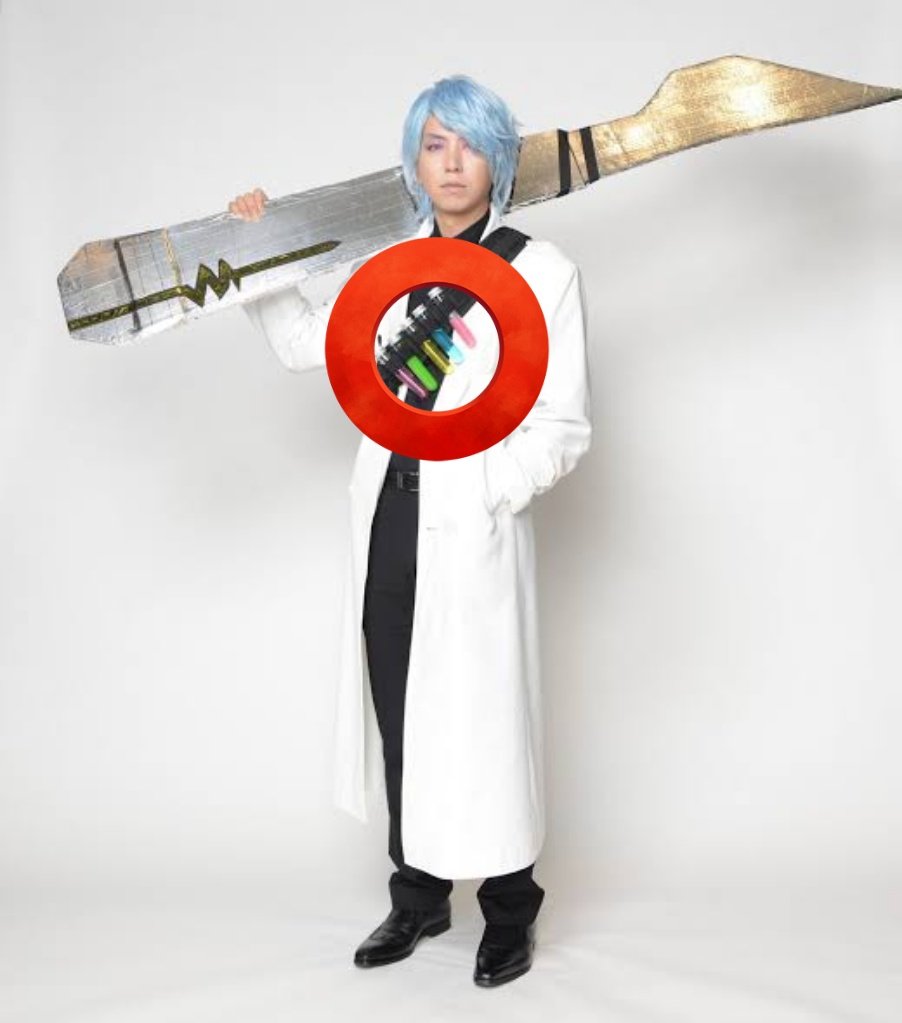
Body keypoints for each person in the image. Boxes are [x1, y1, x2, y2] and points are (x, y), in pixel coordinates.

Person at [230, 74, 591, 987]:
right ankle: (420, 894)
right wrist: (259, 250)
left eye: (470, 145)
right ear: (414, 162)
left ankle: (509, 909)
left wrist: (486, 490)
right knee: (401, 705)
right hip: (390, 510)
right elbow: (304, 344)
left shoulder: (541, 272)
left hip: (473, 523)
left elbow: (561, 426)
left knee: (486, 711)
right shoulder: (389, 266)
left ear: (498, 159)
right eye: (435, 145)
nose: (453, 162)